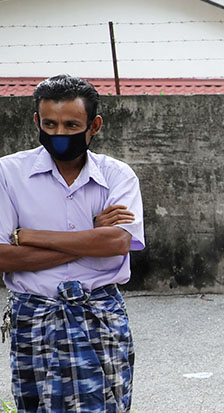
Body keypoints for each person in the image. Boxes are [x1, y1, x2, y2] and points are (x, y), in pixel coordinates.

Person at [0, 74, 145, 411]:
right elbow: (3, 257)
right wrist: (88, 236)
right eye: (49, 124)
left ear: (93, 126)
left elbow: (117, 242)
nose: (59, 134)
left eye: (70, 125)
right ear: (37, 121)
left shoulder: (117, 176)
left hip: (100, 315)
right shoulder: (8, 174)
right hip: (35, 317)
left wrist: (29, 236)